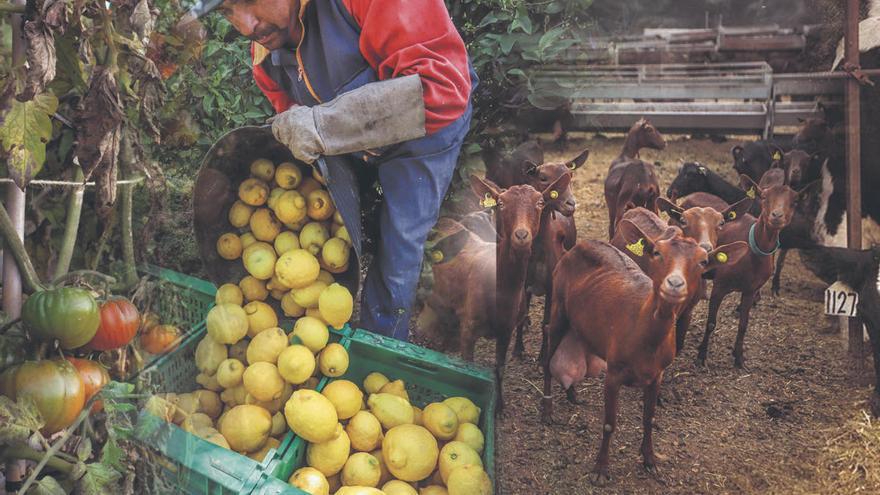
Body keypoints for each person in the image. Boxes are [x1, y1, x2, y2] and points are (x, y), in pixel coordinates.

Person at [182, 0, 477, 341]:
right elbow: (298, 133)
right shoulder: (266, 58)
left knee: (399, 244)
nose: (247, 26)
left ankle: (381, 354)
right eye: (227, 11)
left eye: (249, 1)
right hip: (349, 139)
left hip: (424, 128)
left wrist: (323, 125)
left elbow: (441, 90)